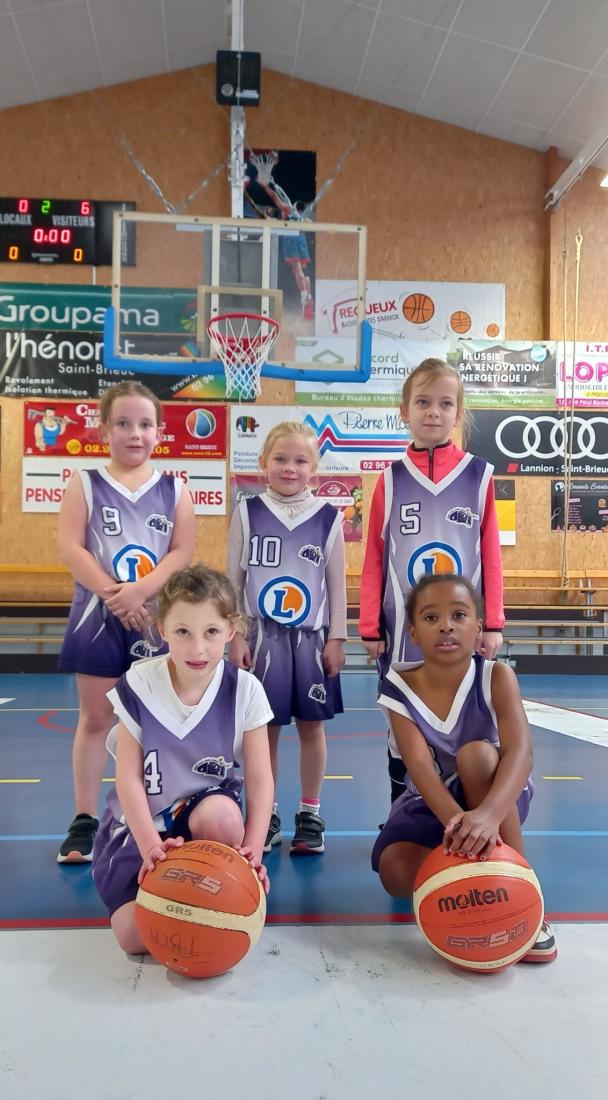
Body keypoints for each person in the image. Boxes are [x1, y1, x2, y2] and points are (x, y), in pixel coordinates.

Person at [372, 573, 556, 963]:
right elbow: (418, 765)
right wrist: (458, 825)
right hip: (432, 798)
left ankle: (526, 894)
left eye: (458, 614)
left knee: (478, 755)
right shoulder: (397, 686)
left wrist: (487, 817)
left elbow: (521, 752)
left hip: (496, 791)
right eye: (431, 617)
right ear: (414, 632)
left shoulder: (496, 675)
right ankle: (473, 882)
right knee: (394, 871)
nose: (446, 625)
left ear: (478, 626)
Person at [92, 564, 275, 954]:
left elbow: (261, 780)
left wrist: (253, 853)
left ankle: (219, 889)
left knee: (223, 818)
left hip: (202, 810)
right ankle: (177, 894)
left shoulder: (245, 689)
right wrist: (149, 848)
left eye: (211, 632)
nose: (197, 648)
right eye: (182, 632)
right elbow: (127, 778)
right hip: (144, 822)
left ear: (230, 630)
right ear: (161, 630)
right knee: (134, 938)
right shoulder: (140, 683)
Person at [57, 381, 196, 863]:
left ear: (159, 431)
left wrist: (140, 591)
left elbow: (182, 552)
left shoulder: (174, 489)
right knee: (96, 719)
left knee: (156, 722)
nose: (134, 433)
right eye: (123, 423)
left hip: (156, 618)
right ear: (104, 430)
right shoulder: (85, 483)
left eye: (144, 424)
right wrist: (117, 596)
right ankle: (84, 819)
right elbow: (72, 547)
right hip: (98, 616)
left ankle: (160, 812)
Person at [359, 358, 504, 803]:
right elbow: (375, 557)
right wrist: (369, 626)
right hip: (403, 630)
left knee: (466, 720)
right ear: (405, 410)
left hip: (463, 628)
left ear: (458, 413)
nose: (433, 412)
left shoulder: (479, 476)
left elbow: (492, 555)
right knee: (402, 722)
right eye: (422, 402)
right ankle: (403, 810)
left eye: (445, 403)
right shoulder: (390, 479)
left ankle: (465, 806)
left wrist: (493, 623)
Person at [227, 421, 347, 855]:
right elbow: (233, 581)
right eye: (280, 458)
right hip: (263, 638)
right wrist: (235, 635)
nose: (289, 467)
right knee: (266, 730)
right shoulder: (246, 511)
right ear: (263, 463)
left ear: (314, 468)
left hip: (312, 640)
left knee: (312, 728)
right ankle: (268, 812)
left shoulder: (329, 517)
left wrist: (338, 637)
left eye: (300, 460)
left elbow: (336, 585)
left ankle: (310, 813)